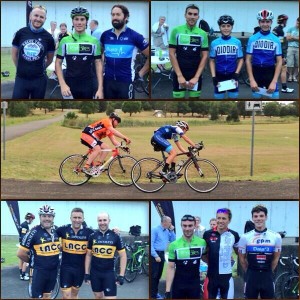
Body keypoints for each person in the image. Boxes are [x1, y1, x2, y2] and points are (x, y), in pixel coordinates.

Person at [100, 4, 149, 99]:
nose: (114, 17)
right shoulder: (105, 35)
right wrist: (101, 70)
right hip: (108, 81)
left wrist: (141, 73)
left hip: (126, 81)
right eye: (113, 14)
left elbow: (149, 55)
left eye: (118, 14)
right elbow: (100, 54)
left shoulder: (135, 36)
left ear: (126, 17)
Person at [55, 6, 103, 99]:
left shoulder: (94, 41)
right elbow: (58, 62)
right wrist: (62, 84)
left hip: (88, 84)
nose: (79, 22)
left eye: (82, 19)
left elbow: (98, 63)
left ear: (86, 21)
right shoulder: (65, 40)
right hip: (69, 84)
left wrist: (100, 88)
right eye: (76, 19)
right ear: (72, 21)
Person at [238, 204, 282, 299]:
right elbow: (242, 258)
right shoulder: (245, 237)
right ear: (252, 218)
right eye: (256, 216)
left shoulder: (276, 237)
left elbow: (276, 257)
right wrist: (249, 271)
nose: (258, 219)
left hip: (267, 277)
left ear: (266, 217)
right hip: (251, 276)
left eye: (261, 216)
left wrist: (269, 271)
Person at [11, 5, 55, 99]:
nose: (38, 19)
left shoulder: (49, 38)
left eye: (41, 17)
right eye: (36, 15)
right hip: (21, 78)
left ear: (45, 19)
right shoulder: (20, 33)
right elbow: (14, 54)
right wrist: (20, 67)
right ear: (30, 16)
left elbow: (50, 59)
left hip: (39, 79)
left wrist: (41, 68)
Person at [17, 205, 60, 299]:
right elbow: (20, 253)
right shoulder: (33, 232)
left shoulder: (57, 230)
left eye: (49, 216)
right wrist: (32, 261)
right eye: (44, 216)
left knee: (47, 295)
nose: (47, 218)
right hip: (39, 271)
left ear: (53, 217)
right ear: (40, 217)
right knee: (36, 297)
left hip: (53, 271)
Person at [169, 4, 208, 99]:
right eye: (190, 14)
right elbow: (171, 53)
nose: (192, 17)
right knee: (178, 102)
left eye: (195, 14)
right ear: (185, 15)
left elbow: (205, 56)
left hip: (195, 74)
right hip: (179, 73)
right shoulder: (176, 31)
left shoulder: (202, 33)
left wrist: (196, 77)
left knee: (194, 102)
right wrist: (179, 75)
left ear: (198, 16)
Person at [85, 212, 126, 299]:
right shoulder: (92, 236)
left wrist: (121, 275)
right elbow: (88, 255)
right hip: (95, 273)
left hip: (109, 273)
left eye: (105, 220)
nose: (102, 222)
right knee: (98, 296)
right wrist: (87, 273)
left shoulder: (115, 236)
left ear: (109, 221)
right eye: (100, 220)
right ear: (97, 221)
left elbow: (123, 256)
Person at [165, 214, 206, 299]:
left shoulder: (202, 243)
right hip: (178, 285)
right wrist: (167, 290)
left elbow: (206, 259)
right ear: (181, 226)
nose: (187, 229)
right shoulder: (174, 245)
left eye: (190, 225)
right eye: (185, 226)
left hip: (194, 285)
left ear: (195, 225)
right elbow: (171, 267)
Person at [56, 208, 94, 299]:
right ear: (70, 218)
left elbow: (102, 235)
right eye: (75, 217)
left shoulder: (89, 232)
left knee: (74, 294)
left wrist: (114, 231)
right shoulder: (63, 229)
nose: (77, 220)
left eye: (79, 218)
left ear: (83, 219)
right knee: (66, 295)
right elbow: (48, 232)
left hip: (80, 269)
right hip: (66, 268)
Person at [203, 208, 239, 299]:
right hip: (212, 275)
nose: (220, 221)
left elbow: (239, 253)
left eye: (224, 218)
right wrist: (210, 262)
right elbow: (203, 254)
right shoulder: (207, 234)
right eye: (218, 218)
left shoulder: (234, 235)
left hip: (226, 276)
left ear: (229, 220)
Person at [246, 9, 282, 99]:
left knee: (274, 97)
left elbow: (279, 61)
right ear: (259, 22)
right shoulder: (252, 39)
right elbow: (247, 60)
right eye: (262, 21)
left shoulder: (276, 40)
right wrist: (251, 79)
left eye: (267, 21)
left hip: (270, 72)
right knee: (256, 98)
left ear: (271, 22)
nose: (265, 24)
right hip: (256, 72)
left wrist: (274, 82)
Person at [209, 15, 244, 99]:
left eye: (228, 26)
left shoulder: (237, 42)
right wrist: (213, 76)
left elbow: (241, 59)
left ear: (232, 27)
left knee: (233, 97)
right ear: (220, 27)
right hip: (219, 75)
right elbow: (212, 61)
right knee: (218, 97)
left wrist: (236, 74)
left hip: (232, 75)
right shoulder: (214, 43)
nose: (226, 28)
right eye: (223, 26)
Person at [151, 216, 176, 299]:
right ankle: (152, 295)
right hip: (155, 255)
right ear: (165, 222)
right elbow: (151, 244)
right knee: (154, 276)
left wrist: (172, 230)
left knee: (158, 275)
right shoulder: (155, 229)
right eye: (170, 222)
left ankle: (155, 293)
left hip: (162, 254)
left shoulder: (166, 231)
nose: (171, 224)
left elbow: (173, 240)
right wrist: (155, 255)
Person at [272, 14, 294, 93]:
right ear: (283, 21)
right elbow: (279, 44)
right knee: (283, 69)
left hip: (272, 53)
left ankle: (272, 86)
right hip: (278, 54)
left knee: (274, 70)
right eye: (286, 21)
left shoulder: (275, 28)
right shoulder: (280, 31)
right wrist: (282, 56)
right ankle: (284, 88)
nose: (286, 23)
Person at [18, 212, 35, 280]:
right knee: (26, 259)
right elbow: (23, 236)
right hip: (24, 245)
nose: (32, 221)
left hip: (21, 244)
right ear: (30, 218)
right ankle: (23, 274)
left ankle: (21, 274)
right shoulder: (25, 225)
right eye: (32, 219)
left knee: (21, 259)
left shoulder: (23, 224)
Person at [286, 17, 299, 82]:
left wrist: (292, 37)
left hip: (298, 48)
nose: (298, 24)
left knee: (297, 63)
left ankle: (294, 76)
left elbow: (291, 37)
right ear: (296, 21)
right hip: (290, 47)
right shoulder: (291, 29)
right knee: (290, 63)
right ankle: (290, 75)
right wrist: (296, 38)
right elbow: (288, 38)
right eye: (297, 22)